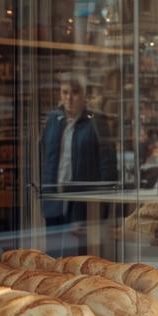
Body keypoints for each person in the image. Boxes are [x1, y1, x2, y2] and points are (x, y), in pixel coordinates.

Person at [40, 75, 116, 245]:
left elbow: (108, 164)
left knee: (78, 257)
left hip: (82, 203)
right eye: (65, 92)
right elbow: (44, 158)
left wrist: (102, 205)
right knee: (52, 257)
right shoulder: (53, 120)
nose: (69, 98)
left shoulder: (96, 122)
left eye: (74, 93)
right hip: (54, 199)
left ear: (84, 96)